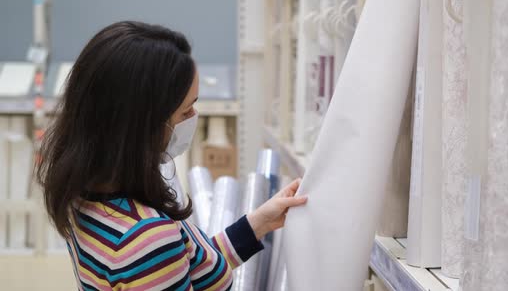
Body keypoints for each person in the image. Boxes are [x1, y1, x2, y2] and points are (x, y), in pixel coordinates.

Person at [37, 21, 307, 291]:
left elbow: (184, 268)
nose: (193, 118)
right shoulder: (147, 238)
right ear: (142, 125)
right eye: (185, 111)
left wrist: (258, 223)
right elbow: (158, 258)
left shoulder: (84, 194)